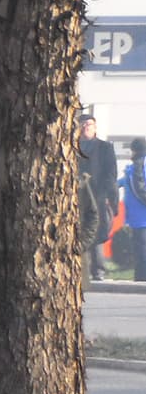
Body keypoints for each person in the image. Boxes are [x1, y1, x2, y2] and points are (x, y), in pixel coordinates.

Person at [79, 113, 120, 280]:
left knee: (96, 232)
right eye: (82, 124)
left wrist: (108, 196)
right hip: (77, 197)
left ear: (95, 127)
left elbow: (111, 174)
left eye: (88, 124)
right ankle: (81, 270)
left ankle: (98, 270)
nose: (85, 127)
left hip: (98, 196)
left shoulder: (105, 147)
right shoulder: (71, 146)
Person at [120, 137, 146, 282]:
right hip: (137, 216)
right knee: (140, 247)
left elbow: (139, 188)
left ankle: (142, 277)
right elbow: (125, 182)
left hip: (141, 216)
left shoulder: (139, 165)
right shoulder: (136, 166)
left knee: (141, 248)